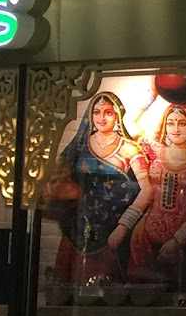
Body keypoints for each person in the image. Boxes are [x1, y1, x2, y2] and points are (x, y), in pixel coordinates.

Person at [118, 102, 186, 291]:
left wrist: (177, 240)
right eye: (170, 123)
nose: (175, 129)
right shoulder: (155, 151)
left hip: (184, 244)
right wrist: (150, 96)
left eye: (182, 123)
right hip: (145, 240)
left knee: (182, 293)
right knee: (145, 296)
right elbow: (129, 122)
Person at [43, 91, 142, 285]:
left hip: (114, 227)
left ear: (117, 116)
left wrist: (123, 226)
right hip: (80, 226)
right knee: (74, 282)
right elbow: (59, 175)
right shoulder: (80, 146)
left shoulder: (128, 148)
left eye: (108, 112)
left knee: (108, 285)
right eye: (97, 112)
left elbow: (143, 190)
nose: (102, 118)